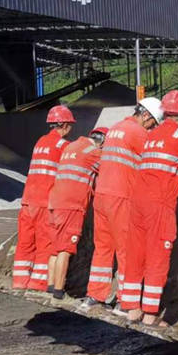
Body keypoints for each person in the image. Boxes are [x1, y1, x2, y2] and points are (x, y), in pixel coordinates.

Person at [123, 90, 178, 326]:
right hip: (159, 205)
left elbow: (171, 158)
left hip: (137, 203)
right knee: (157, 256)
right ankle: (150, 314)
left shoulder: (151, 135)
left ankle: (132, 309)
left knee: (136, 254)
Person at [80, 97, 164, 314]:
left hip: (102, 196)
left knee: (103, 248)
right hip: (122, 196)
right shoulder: (139, 133)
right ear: (145, 115)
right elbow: (156, 160)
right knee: (128, 249)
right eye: (152, 123)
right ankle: (125, 301)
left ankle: (94, 296)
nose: (152, 127)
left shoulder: (115, 128)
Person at [13, 105, 74, 292]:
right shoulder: (63, 146)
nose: (71, 128)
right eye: (70, 124)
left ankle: (19, 281)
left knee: (25, 242)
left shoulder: (40, 142)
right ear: (64, 124)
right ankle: (38, 283)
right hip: (44, 202)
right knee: (45, 243)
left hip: (28, 201)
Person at [46, 126, 107, 302]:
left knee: (56, 248)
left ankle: (51, 285)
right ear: (102, 142)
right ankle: (59, 291)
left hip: (56, 202)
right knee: (66, 249)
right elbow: (109, 168)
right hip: (72, 206)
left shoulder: (71, 146)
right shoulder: (92, 152)